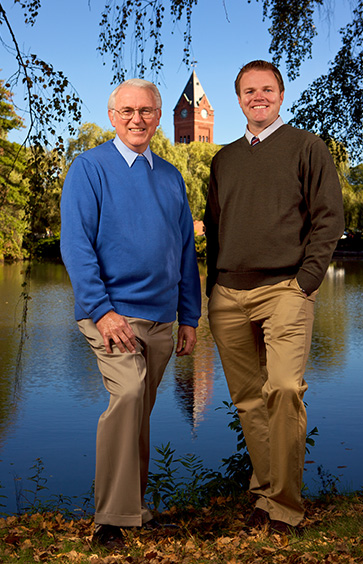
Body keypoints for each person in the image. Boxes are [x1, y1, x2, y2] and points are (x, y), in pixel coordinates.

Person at [204, 60, 344, 535]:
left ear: (281, 95)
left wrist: (306, 281)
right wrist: (211, 293)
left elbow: (329, 219)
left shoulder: (307, 147)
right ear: (238, 98)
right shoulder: (223, 159)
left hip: (286, 289)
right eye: (248, 90)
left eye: (267, 89)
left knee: (283, 390)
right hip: (228, 295)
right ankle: (265, 496)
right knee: (248, 401)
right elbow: (217, 230)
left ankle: (285, 506)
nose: (257, 97)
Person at [60, 78, 201, 549]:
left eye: (146, 111)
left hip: (163, 316)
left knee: (139, 409)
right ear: (112, 116)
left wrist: (189, 316)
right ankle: (111, 518)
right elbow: (76, 246)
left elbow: (185, 251)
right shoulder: (89, 168)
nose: (136, 119)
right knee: (129, 394)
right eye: (127, 111)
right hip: (112, 314)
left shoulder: (170, 176)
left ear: (159, 117)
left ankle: (134, 510)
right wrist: (101, 311)